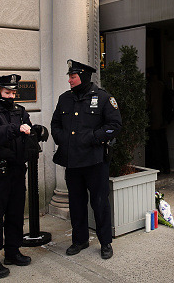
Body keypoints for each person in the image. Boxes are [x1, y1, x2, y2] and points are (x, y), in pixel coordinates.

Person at [0, 74, 48, 278]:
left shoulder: (19, 111)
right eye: (7, 92)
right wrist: (15, 129)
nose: (11, 96)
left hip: (15, 170)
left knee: (15, 214)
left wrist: (36, 132)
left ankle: (12, 252)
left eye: (14, 92)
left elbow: (27, 130)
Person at [51, 60, 122, 259]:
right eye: (69, 77)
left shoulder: (103, 98)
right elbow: (55, 123)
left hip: (95, 162)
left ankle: (105, 242)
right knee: (76, 203)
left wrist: (93, 138)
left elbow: (114, 125)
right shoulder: (65, 99)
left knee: (99, 203)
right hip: (72, 162)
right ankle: (79, 240)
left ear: (83, 77)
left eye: (72, 77)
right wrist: (63, 138)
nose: (69, 81)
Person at [145, 67, 170, 174]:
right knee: (163, 143)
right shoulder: (162, 85)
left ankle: (156, 166)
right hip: (162, 119)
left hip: (153, 119)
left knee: (154, 145)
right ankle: (166, 167)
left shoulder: (149, 86)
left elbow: (147, 102)